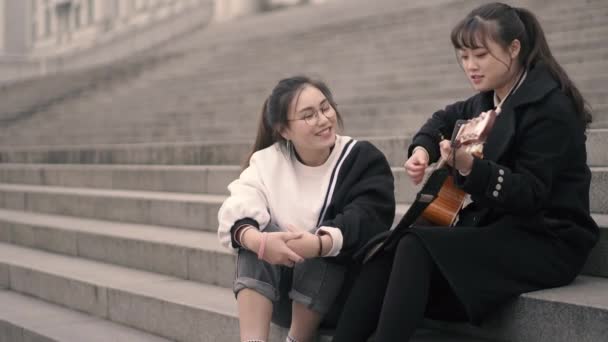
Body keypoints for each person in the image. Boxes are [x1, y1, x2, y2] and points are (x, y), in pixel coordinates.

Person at [331, 3, 599, 341]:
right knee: (390, 246)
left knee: (415, 243)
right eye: (464, 56)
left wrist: (471, 169)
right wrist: (421, 151)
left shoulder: (550, 107)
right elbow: (442, 120)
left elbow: (532, 194)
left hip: (548, 239)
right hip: (499, 228)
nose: (470, 66)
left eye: (480, 55)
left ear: (514, 48)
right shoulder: (490, 98)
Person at [217, 76, 395, 342]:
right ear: (284, 130)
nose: (323, 120)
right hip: (279, 296)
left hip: (338, 298)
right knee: (257, 238)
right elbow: (237, 207)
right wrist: (261, 242)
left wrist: (317, 244)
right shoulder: (268, 161)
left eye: (325, 108)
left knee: (329, 236)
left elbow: (369, 218)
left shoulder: (361, 158)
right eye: (308, 115)